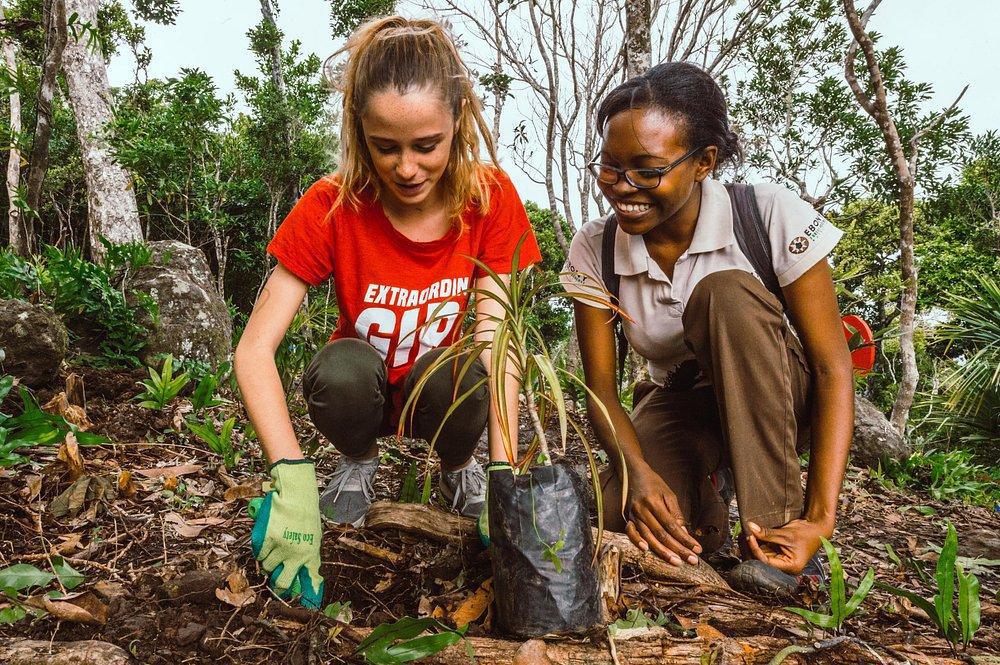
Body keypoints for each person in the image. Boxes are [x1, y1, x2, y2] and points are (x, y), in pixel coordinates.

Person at [234, 16, 541, 600]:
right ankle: (356, 460)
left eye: (427, 146)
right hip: (365, 393)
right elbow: (253, 349)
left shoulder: (490, 198)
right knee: (340, 367)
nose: (406, 168)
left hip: (441, 395)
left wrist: (504, 473)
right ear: (359, 132)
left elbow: (497, 343)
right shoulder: (333, 204)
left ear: (458, 122)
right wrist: (290, 478)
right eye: (386, 147)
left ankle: (460, 472)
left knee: (476, 362)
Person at [560, 61, 854, 598]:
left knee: (725, 293)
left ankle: (778, 540)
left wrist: (821, 518)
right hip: (684, 403)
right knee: (617, 516)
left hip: (781, 396)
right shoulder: (596, 248)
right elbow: (601, 390)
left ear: (704, 163)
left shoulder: (767, 216)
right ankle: (706, 501)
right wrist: (639, 476)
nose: (622, 187)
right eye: (609, 167)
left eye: (646, 170)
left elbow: (834, 369)